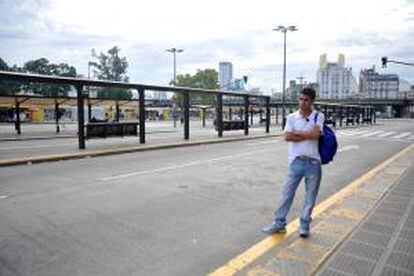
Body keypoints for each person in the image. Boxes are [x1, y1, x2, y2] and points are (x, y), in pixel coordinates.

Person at [262, 87, 324, 238]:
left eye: (306, 100)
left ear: (312, 101)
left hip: (314, 164)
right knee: (286, 194)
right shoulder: (291, 117)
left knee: (310, 197)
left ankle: (304, 225)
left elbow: (316, 136)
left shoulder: (318, 116)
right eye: (301, 99)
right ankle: (279, 223)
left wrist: (299, 134)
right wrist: (308, 134)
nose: (302, 103)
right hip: (295, 162)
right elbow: (288, 137)